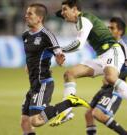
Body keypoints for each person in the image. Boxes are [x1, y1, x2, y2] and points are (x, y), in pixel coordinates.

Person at [50, 0, 127, 126]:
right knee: (69, 74)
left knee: (111, 77)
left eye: (65, 10)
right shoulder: (79, 19)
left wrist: (59, 50)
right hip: (101, 56)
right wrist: (57, 13)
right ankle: (67, 112)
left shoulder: (84, 20)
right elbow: (61, 13)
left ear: (75, 10)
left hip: (113, 50)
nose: (63, 13)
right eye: (62, 10)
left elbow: (79, 45)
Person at [21, 3, 89, 135]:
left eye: (30, 14)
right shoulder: (25, 35)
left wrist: (59, 60)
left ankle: (69, 102)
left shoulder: (47, 36)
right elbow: (32, 56)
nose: (26, 16)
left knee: (35, 121)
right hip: (33, 84)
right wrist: (28, 66)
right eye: (26, 13)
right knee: (25, 122)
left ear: (39, 18)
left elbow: (59, 54)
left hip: (43, 83)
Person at [85, 17, 127, 135]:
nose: (109, 29)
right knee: (88, 114)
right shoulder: (108, 46)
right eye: (108, 27)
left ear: (120, 31)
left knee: (97, 113)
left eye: (112, 28)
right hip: (106, 87)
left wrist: (112, 76)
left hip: (115, 87)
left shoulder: (123, 47)